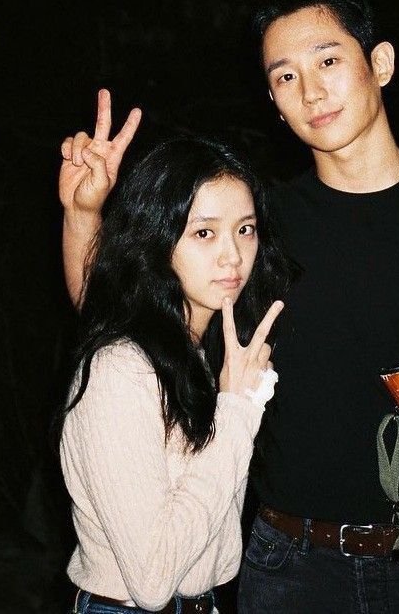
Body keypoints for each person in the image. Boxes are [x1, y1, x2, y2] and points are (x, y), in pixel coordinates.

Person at [61, 0, 399, 612]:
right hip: (291, 566)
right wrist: (82, 214)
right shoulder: (255, 228)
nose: (310, 91)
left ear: (380, 63)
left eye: (328, 60)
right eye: (285, 76)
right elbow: (132, 320)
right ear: (274, 101)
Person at [56, 116, 291, 614]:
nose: (232, 256)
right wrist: (237, 410)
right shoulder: (123, 370)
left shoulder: (196, 351)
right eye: (204, 232)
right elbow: (153, 579)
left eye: (245, 229)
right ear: (158, 239)